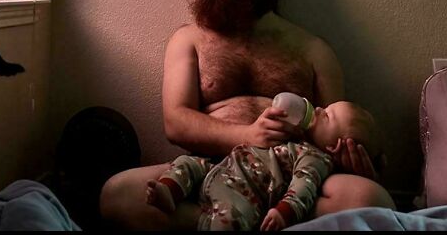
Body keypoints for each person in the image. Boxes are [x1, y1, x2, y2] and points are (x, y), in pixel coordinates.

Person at [100, 0, 395, 229]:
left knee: (372, 198)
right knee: (118, 193)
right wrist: (248, 135)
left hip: (292, 175)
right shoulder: (189, 39)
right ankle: (236, 221)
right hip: (211, 170)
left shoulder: (314, 50)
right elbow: (176, 123)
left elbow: (334, 129)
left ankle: (232, 223)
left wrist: (352, 160)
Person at [146, 99, 383, 231]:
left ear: (334, 146)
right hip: (222, 164)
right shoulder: (299, 142)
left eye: (327, 115)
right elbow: (175, 124)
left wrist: (284, 212)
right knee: (185, 164)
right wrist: (247, 134)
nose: (319, 108)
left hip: (246, 190)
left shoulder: (314, 158)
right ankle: (169, 190)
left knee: (232, 218)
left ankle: (217, 219)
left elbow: (303, 186)